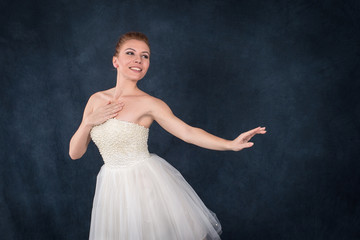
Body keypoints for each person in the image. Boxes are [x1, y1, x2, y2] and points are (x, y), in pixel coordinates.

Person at [69, 32, 266, 240]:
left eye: (145, 56)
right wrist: (88, 122)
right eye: (131, 53)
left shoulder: (150, 104)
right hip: (111, 187)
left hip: (143, 187)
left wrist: (230, 144)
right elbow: (75, 153)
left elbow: (187, 132)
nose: (139, 60)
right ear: (115, 61)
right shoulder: (96, 100)